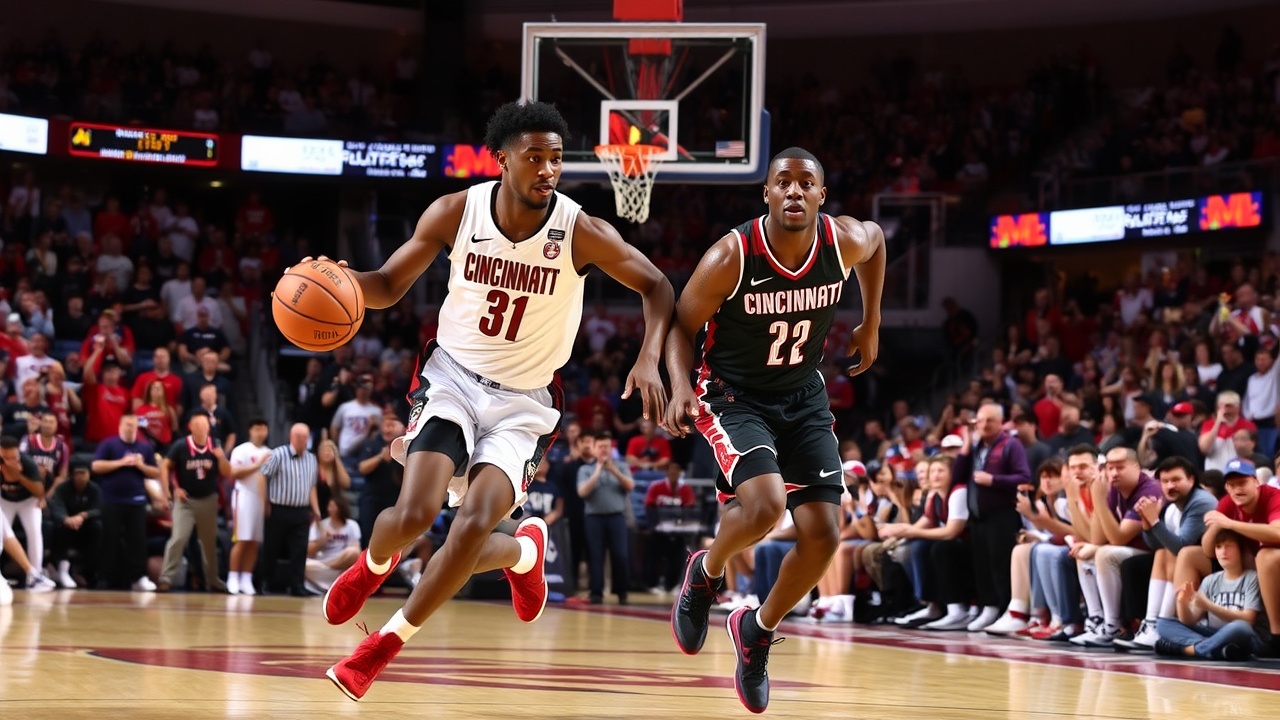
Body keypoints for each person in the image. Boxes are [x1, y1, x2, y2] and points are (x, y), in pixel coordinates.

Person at [320, 100, 674, 701]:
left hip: (524, 404)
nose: (547, 169)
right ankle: (376, 563)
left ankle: (382, 645)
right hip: (453, 379)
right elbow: (387, 285)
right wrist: (342, 281)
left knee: (470, 528)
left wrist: (648, 356)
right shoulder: (456, 212)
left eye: (556, 159)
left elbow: (657, 285)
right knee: (413, 515)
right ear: (502, 159)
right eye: (534, 157)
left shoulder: (579, 230)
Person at [663, 147, 885, 713]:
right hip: (733, 395)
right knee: (764, 507)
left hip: (803, 395)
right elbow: (680, 326)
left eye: (805, 183)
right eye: (782, 181)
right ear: (766, 193)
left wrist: (871, 320)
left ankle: (756, 630)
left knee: (825, 535)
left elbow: (878, 240)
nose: (794, 190)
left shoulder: (842, 241)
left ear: (821, 195)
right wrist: (680, 385)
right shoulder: (731, 256)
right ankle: (706, 572)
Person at [1155, 529, 1271, 660]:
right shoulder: (1210, 580)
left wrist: (1210, 606)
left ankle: (1192, 649)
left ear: (1240, 550)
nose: (1223, 552)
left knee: (1240, 627)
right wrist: (1182, 603)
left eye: (1229, 546)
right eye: (1219, 547)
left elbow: (1248, 619)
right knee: (1163, 623)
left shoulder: (1251, 578)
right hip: (1215, 634)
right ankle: (1216, 649)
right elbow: (1189, 620)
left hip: (1246, 637)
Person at [157, 411, 231, 593]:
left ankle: (213, 580)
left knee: (209, 543)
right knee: (178, 538)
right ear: (190, 427)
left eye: (204, 424)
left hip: (208, 500)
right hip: (186, 502)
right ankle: (166, 579)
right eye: (197, 425)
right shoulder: (181, 445)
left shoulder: (216, 444)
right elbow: (165, 466)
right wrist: (170, 492)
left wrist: (221, 457)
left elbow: (227, 472)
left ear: (208, 427)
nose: (201, 428)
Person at [91, 414, 162, 590]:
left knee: (138, 541)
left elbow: (156, 472)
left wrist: (141, 466)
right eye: (127, 425)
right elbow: (96, 466)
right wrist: (121, 462)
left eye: (133, 425)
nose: (130, 428)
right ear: (120, 426)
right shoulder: (109, 444)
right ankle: (104, 577)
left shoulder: (144, 447)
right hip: (111, 500)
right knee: (109, 539)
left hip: (136, 500)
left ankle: (139, 578)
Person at [258, 423, 320, 596]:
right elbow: (262, 475)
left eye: (305, 436)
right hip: (278, 509)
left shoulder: (312, 458)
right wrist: (265, 502)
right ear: (291, 437)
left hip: (301, 511)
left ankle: (297, 586)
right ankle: (265, 583)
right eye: (299, 436)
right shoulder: (278, 454)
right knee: (271, 548)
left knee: (300, 550)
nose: (302, 440)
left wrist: (316, 509)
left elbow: (312, 486)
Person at [576, 430, 634, 604]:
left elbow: (630, 486)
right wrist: (598, 470)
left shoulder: (621, 466)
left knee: (620, 555)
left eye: (607, 447)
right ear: (594, 449)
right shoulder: (586, 469)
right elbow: (582, 492)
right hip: (594, 518)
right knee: (596, 555)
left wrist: (614, 471)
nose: (604, 450)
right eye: (600, 447)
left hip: (617, 517)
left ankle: (622, 591)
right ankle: (596, 592)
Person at [228, 418, 272, 595]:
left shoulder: (269, 452)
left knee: (254, 541)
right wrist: (257, 464)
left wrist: (266, 501)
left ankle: (246, 578)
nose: (260, 432)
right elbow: (234, 473)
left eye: (264, 429)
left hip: (259, 499)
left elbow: (267, 479)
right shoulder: (241, 450)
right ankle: (232, 577)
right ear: (250, 431)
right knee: (242, 539)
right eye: (257, 429)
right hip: (243, 496)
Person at [0, 435, 49, 589]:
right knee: (4, 534)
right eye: (6, 458)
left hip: (28, 501)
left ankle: (35, 576)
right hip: (5, 500)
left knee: (35, 532)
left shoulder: (28, 463)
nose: (10, 461)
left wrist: (19, 477)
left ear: (18, 453)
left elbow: (39, 492)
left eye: (14, 457)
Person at [47, 459, 102, 588]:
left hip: (86, 526)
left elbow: (100, 509)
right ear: (72, 474)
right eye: (77, 473)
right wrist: (65, 519)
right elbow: (56, 506)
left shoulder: (95, 489)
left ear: (89, 474)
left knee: (98, 527)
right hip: (67, 525)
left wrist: (85, 515)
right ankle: (63, 569)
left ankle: (91, 571)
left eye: (84, 473)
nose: (81, 477)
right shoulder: (63, 488)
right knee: (58, 527)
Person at [306, 495, 361, 593]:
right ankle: (333, 580)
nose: (331, 509)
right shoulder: (320, 525)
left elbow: (356, 551)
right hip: (322, 561)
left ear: (341, 508)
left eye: (333, 506)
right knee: (304, 565)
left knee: (353, 552)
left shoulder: (352, 525)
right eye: (329, 506)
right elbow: (309, 552)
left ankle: (327, 575)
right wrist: (321, 541)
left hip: (342, 562)